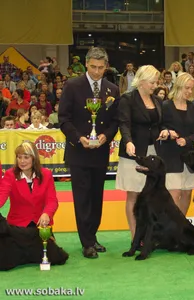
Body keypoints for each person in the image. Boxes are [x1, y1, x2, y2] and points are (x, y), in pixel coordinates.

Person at [58, 47, 120, 259]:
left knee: (96, 197)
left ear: (106, 67)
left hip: (100, 153)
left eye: (101, 68)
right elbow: (63, 119)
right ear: (86, 64)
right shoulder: (72, 86)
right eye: (93, 67)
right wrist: (78, 138)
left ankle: (92, 236)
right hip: (78, 152)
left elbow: (115, 122)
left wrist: (106, 136)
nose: (96, 72)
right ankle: (86, 242)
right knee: (82, 198)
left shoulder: (112, 89)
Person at [116, 65, 161, 254]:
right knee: (133, 195)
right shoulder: (127, 99)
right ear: (141, 81)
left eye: (156, 82)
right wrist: (128, 142)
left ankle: (150, 235)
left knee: (151, 196)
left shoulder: (157, 100)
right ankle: (135, 239)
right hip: (133, 152)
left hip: (152, 153)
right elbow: (124, 123)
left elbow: (158, 124)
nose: (155, 85)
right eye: (152, 82)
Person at [158, 73, 194, 215]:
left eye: (192, 89)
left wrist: (187, 140)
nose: (190, 91)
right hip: (170, 157)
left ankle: (180, 227)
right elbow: (159, 126)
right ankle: (171, 229)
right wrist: (166, 131)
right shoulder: (165, 106)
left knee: (186, 194)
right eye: (187, 88)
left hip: (189, 158)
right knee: (174, 194)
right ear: (178, 86)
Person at [0, 142, 58, 228]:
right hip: (17, 225)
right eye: (19, 157)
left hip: (41, 224)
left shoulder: (46, 174)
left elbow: (52, 200)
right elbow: (2, 194)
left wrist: (47, 213)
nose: (22, 161)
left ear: (34, 158)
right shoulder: (10, 175)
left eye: (26, 157)